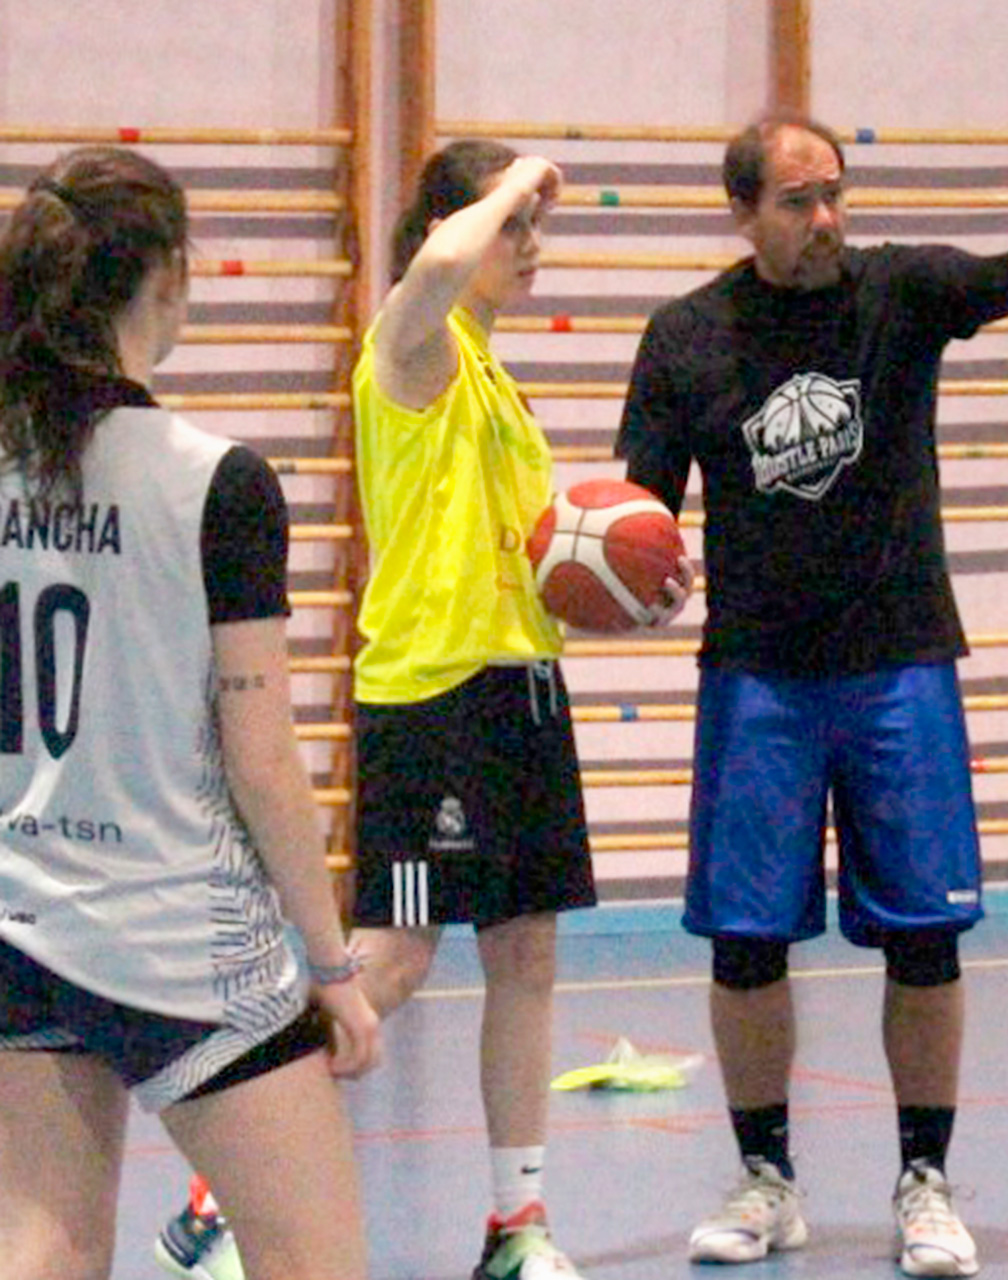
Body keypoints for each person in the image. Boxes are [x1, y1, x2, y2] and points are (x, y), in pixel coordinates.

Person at [617, 112, 1008, 1277]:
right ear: (743, 212)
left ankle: (925, 1178)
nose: (825, 219)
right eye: (798, 201)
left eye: (834, 195)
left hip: (899, 662)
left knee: (925, 935)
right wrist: (628, 578)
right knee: (746, 941)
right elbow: (639, 512)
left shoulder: (897, 295)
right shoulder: (687, 337)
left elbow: (1000, 278)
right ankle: (766, 1178)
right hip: (758, 677)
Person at [160, 139, 689, 1280]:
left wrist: (623, 590)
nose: (532, 250)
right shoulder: (411, 349)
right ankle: (220, 1193)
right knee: (391, 963)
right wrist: (512, 181)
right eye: (517, 232)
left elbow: (535, 549)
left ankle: (516, 1227)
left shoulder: (495, 375)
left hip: (522, 688)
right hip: (432, 698)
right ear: (453, 234)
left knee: (529, 953)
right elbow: (443, 254)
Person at [0, 146, 381, 1280]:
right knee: (316, 1259)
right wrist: (330, 959)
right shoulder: (212, 480)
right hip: (179, 935)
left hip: (22, 913)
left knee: (47, 1241)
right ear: (167, 274)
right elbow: (261, 757)